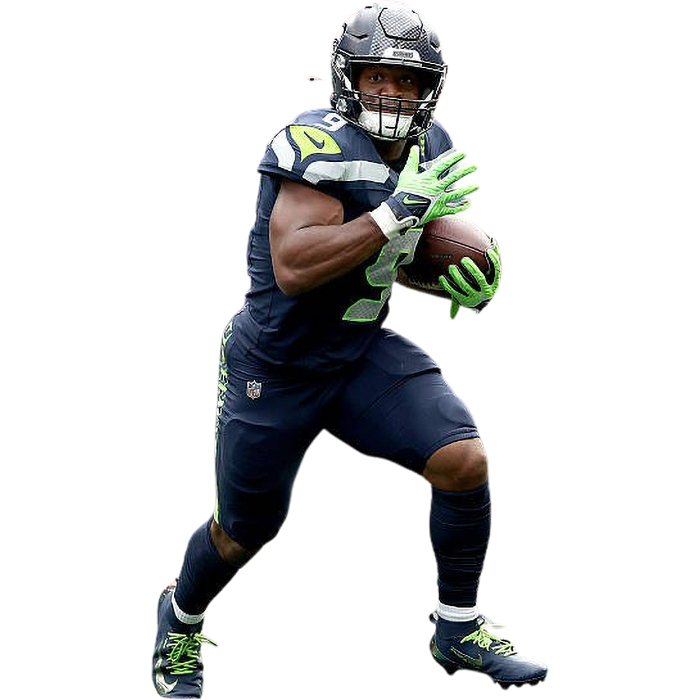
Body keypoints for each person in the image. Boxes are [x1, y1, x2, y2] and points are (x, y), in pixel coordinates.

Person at [151, 3, 547, 697]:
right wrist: (396, 211)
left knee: (462, 459)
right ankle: (178, 623)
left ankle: (457, 629)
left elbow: (402, 260)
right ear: (348, 79)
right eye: (376, 76)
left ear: (429, 89)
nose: (391, 92)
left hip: (357, 349)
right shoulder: (314, 143)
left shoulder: (431, 146)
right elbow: (296, 266)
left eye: (406, 80)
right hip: (277, 365)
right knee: (245, 530)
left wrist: (454, 282)